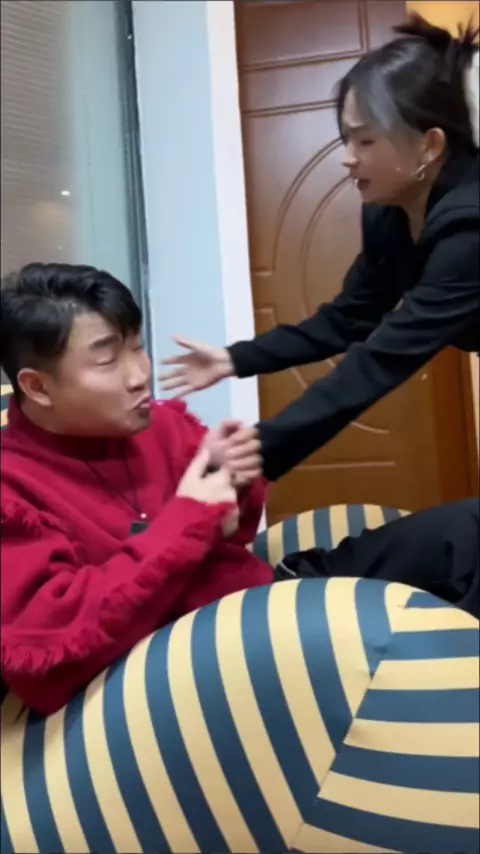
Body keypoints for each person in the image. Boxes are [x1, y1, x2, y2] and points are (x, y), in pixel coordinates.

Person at [160, 15, 480, 483]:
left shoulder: (470, 227)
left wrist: (254, 454)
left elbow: (383, 359)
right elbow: (349, 318)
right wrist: (234, 359)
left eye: (365, 140)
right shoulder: (388, 215)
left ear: (430, 146)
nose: (348, 157)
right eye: (346, 138)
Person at [0, 262, 270, 716]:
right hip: (162, 687)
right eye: (108, 361)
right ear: (37, 387)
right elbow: (44, 654)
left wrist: (237, 483)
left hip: (254, 612)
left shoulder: (162, 424)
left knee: (407, 546)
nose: (139, 375)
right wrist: (189, 519)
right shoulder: (11, 491)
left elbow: (236, 535)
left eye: (138, 347)